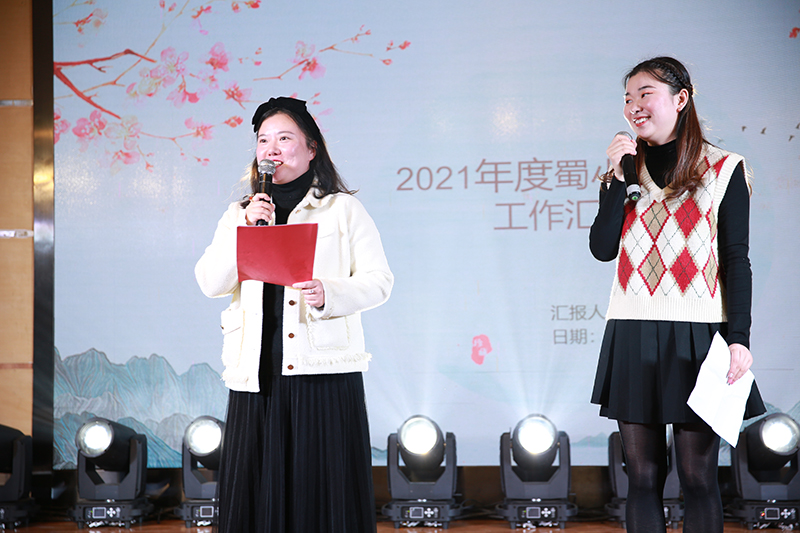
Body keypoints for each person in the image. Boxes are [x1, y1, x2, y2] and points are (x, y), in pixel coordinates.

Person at [195, 96, 393, 533]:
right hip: (256, 374)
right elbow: (210, 282)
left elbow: (380, 280)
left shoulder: (342, 210)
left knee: (321, 493)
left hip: (322, 372)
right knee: (256, 493)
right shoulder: (239, 215)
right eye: (264, 140)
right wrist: (244, 229)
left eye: (285, 138)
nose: (272, 149)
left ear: (311, 148)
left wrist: (330, 293)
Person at [589, 57, 765, 533]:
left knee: (697, 476)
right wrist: (617, 178)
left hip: (699, 334)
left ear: (681, 98)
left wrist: (739, 338)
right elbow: (602, 249)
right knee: (642, 477)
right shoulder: (625, 172)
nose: (634, 106)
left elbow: (736, 259)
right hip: (632, 331)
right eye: (627, 98)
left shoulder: (724, 169)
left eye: (645, 94)